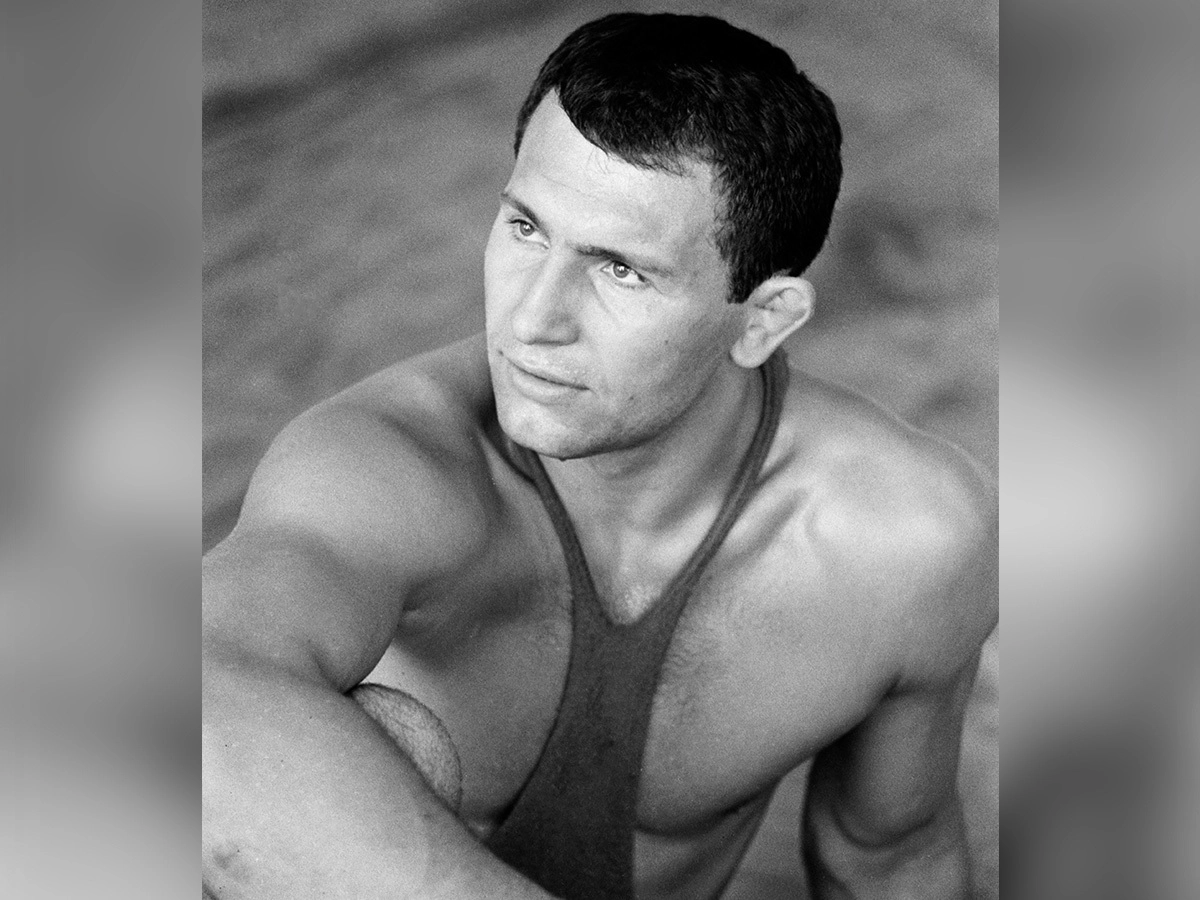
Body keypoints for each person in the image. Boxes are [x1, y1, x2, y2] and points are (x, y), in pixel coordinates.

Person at [202, 12, 996, 900]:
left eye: (621, 270)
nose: (532, 319)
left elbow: (887, 861)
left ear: (763, 320)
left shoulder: (906, 541)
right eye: (526, 228)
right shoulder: (387, 467)